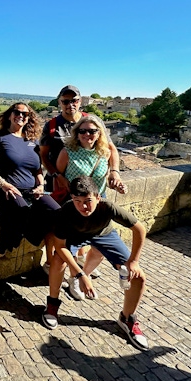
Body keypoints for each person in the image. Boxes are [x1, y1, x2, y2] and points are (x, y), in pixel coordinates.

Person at [42, 176, 149, 351]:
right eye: (77, 201)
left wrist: (134, 261)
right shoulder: (65, 212)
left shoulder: (107, 207)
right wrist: (80, 275)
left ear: (98, 197)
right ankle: (52, 306)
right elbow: (60, 247)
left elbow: (139, 229)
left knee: (138, 277)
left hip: (104, 235)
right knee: (58, 260)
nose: (83, 206)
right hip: (74, 236)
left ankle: (127, 318)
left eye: (87, 201)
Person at [40, 85, 122, 275]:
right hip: (60, 182)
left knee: (86, 224)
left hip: (93, 186)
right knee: (56, 225)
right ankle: (51, 262)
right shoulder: (52, 125)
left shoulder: (92, 121)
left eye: (74, 100)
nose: (70, 104)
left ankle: (79, 262)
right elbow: (44, 155)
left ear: (80, 101)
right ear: (59, 102)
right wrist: (56, 176)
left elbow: (111, 149)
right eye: (65, 101)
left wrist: (115, 172)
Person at [56, 115, 128, 300]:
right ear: (77, 133)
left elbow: (111, 165)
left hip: (98, 205)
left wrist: (116, 177)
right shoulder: (68, 152)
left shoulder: (104, 151)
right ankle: (75, 277)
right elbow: (58, 175)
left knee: (99, 248)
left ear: (99, 134)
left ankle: (81, 276)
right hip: (75, 207)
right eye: (83, 131)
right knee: (67, 248)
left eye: (92, 131)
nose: (87, 134)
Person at [0, 102, 59, 255]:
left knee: (56, 212)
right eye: (17, 112)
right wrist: (3, 183)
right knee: (22, 210)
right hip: (8, 190)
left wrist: (41, 185)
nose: (20, 116)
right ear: (10, 115)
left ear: (28, 119)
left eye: (25, 114)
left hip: (32, 191)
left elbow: (37, 169)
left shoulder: (33, 141)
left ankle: (31, 237)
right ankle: (9, 239)